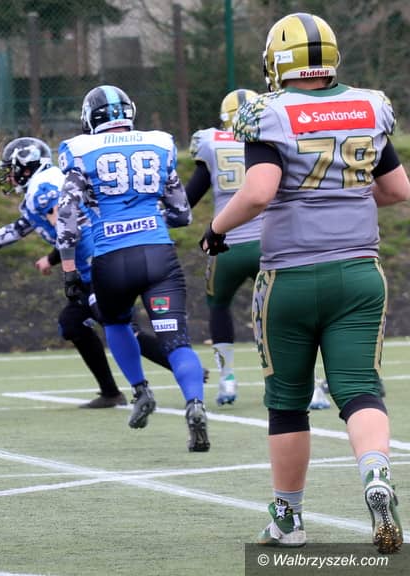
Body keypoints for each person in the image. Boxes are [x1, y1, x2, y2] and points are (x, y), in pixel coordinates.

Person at [201, 12, 407, 552]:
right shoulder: (369, 105)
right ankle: (376, 474)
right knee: (360, 389)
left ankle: (288, 519)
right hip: (359, 273)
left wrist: (217, 229)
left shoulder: (267, 112)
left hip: (290, 277)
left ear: (277, 62)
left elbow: (259, 191)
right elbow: (396, 189)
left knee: (288, 402)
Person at [56, 85, 209, 451]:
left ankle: (141, 391)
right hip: (158, 255)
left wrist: (69, 270)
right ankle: (195, 404)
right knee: (177, 341)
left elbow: (67, 214)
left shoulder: (79, 149)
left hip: (111, 259)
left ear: (89, 118)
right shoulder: (159, 143)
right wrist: (148, 220)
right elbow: (182, 214)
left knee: (115, 323)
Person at [0, 137, 149, 409]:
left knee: (122, 329)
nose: (9, 175)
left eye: (12, 168)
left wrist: (69, 269)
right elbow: (19, 229)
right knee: (73, 323)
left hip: (97, 268)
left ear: (26, 167)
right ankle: (111, 392)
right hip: (91, 265)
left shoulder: (43, 189)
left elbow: (70, 230)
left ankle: (181, 364)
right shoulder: (44, 185)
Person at [186, 89, 260, 405]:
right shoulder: (273, 139)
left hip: (226, 245)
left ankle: (227, 379)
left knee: (218, 306)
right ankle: (308, 383)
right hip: (271, 244)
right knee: (285, 310)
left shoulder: (211, 143)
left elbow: (188, 198)